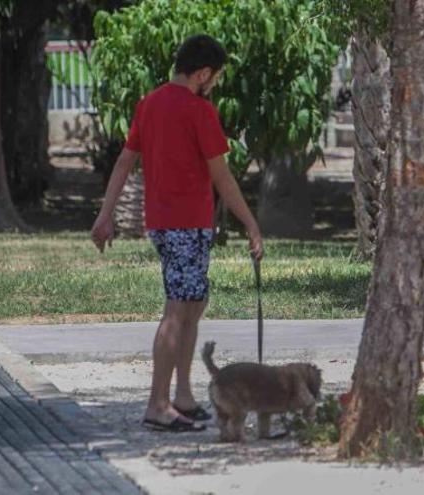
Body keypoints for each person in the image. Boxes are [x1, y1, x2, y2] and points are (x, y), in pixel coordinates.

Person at [91, 34, 263, 433]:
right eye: (215, 77)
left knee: (192, 306)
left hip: (165, 224)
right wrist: (251, 223)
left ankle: (183, 397)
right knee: (176, 311)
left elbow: (123, 163)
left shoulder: (149, 104)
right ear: (202, 73)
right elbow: (222, 176)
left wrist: (105, 216)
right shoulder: (199, 111)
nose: (215, 84)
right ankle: (157, 404)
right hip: (187, 225)